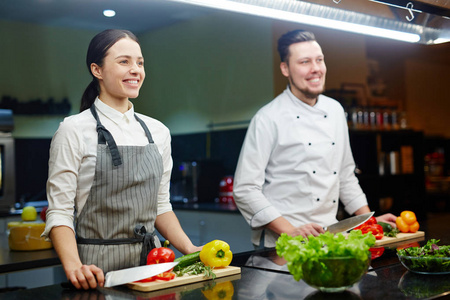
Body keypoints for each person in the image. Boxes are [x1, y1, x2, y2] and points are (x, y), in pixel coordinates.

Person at [42, 29, 201, 289]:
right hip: (95, 271)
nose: (136, 70)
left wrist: (191, 249)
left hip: (153, 268)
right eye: (124, 61)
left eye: (140, 62)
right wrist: (74, 267)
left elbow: (160, 205)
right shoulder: (73, 130)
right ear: (97, 70)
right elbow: (59, 211)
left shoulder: (158, 132)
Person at [233, 29, 397, 248]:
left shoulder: (335, 110)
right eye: (304, 62)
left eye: (319, 60)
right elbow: (245, 189)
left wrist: (369, 222)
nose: (316, 69)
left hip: (331, 235)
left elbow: (345, 176)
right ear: (285, 69)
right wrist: (291, 231)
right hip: (282, 242)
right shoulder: (267, 118)